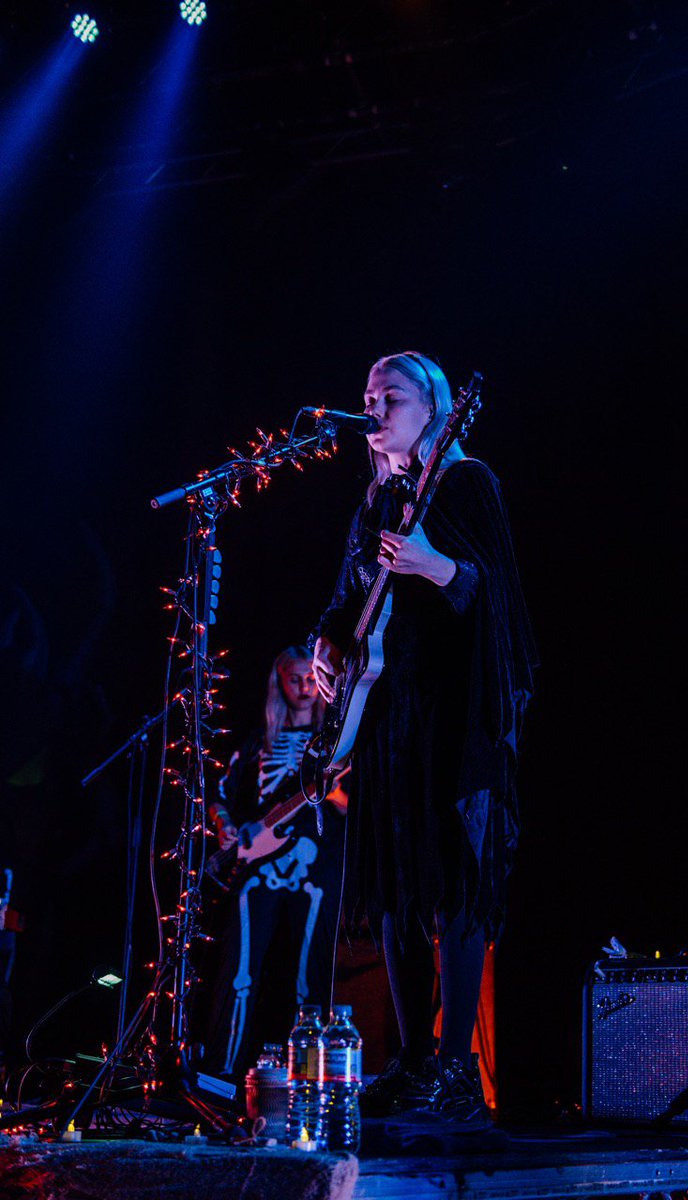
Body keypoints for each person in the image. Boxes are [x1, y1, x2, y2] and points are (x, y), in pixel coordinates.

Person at [312, 351, 537, 1123]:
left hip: (453, 712)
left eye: (391, 397)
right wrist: (325, 643)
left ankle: (455, 1068)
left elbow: (497, 599)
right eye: (367, 395)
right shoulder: (377, 497)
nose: (373, 408)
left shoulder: (467, 483)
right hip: (388, 715)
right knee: (396, 891)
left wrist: (438, 568)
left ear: (435, 407)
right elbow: (349, 598)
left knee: (456, 883)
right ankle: (409, 1062)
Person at [203, 646, 346, 1081]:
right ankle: (220, 1076)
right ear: (279, 683)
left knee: (311, 975)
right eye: (294, 679)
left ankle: (310, 1081)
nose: (303, 688)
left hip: (315, 863)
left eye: (309, 679)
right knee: (239, 971)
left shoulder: (338, 742)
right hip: (258, 864)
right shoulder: (257, 743)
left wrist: (337, 789)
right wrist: (224, 824)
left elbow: (348, 805)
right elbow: (220, 794)